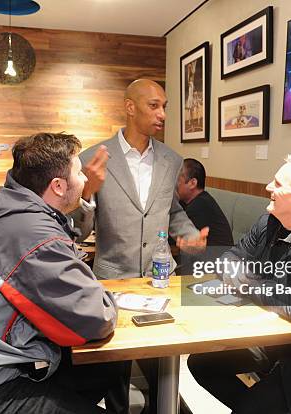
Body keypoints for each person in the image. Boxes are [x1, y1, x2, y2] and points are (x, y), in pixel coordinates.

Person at [0, 132, 128, 414]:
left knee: (109, 366)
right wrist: (105, 295)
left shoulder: (21, 213)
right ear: (58, 186)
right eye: (78, 172)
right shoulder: (33, 238)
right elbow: (96, 318)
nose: (85, 179)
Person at [72, 79, 208, 414]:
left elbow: (171, 210)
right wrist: (87, 193)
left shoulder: (171, 160)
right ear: (130, 107)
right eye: (153, 105)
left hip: (160, 281)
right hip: (112, 281)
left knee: (164, 368)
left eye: (165, 106)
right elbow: (75, 229)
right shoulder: (93, 157)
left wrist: (188, 233)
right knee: (115, 374)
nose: (162, 114)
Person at [188, 153, 291, 413]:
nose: (268, 187)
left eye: (278, 184)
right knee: (201, 364)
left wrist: (245, 282)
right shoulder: (271, 222)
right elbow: (229, 259)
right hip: (275, 340)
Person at [176, 158, 233, 248]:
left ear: (192, 183)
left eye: (178, 180)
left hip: (218, 259)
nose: (174, 184)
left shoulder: (200, 205)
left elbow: (175, 238)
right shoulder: (186, 201)